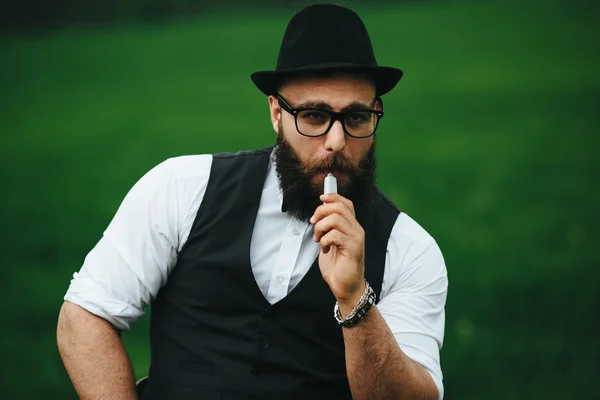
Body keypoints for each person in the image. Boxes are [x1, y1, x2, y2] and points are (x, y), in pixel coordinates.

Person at [57, 4, 448, 400]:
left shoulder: (409, 250)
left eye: (357, 118)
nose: (337, 141)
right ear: (277, 112)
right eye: (313, 116)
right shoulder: (180, 188)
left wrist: (355, 299)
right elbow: (85, 317)